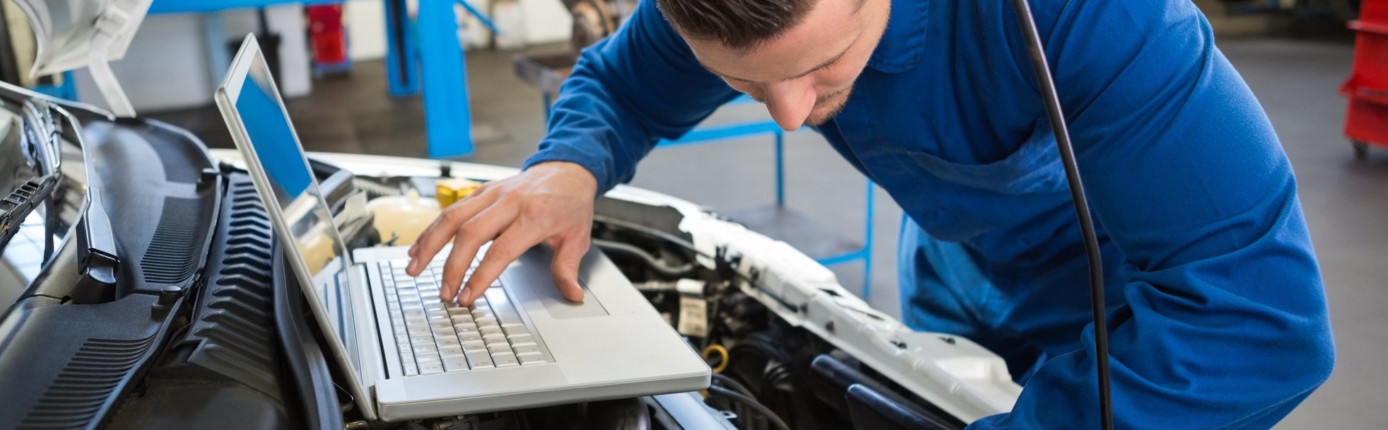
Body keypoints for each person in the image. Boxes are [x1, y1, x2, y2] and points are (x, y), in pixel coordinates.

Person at [405, 0, 1336, 427]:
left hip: (1136, 348)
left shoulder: (1100, 20)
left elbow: (1257, 322)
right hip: (953, 289)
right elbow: (622, 84)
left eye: (825, 70)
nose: (791, 114)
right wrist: (569, 165)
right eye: (741, 84)